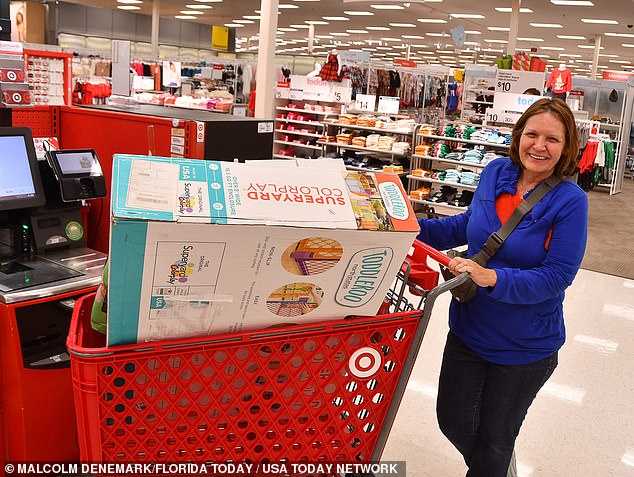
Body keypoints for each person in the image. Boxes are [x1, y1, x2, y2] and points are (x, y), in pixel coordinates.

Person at [417, 98, 588, 477]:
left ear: (567, 147)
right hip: (469, 328)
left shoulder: (569, 201)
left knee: (496, 441)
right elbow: (468, 225)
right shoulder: (496, 172)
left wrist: (492, 277)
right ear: (518, 135)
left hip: (524, 345)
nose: (539, 146)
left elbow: (558, 275)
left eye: (552, 139)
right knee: (453, 422)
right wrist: (407, 224)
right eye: (532, 134)